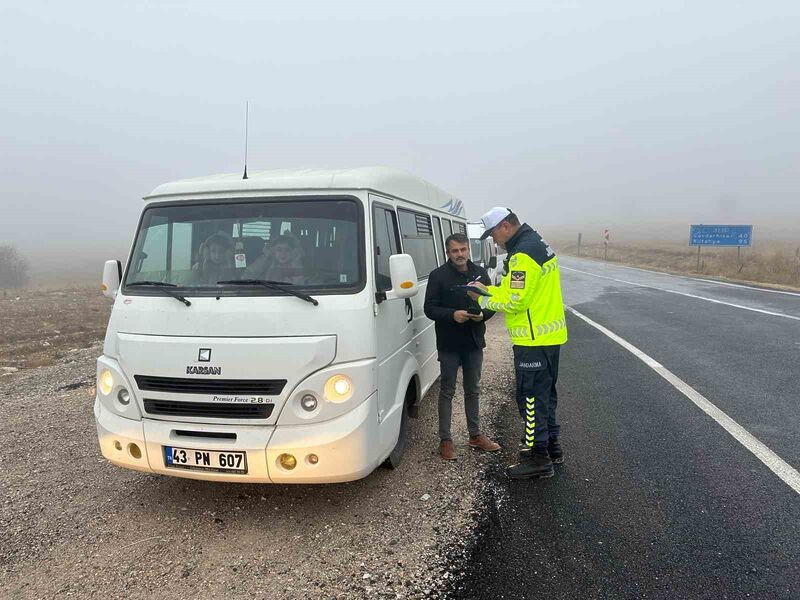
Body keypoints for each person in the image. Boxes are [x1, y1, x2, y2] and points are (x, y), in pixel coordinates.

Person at [467, 208, 568, 480]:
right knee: (546, 395)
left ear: (505, 226)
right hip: (548, 336)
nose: (495, 241)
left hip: (533, 339)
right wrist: (488, 290)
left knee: (531, 399)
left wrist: (482, 301)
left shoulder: (523, 254)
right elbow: (516, 291)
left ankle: (538, 458)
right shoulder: (536, 243)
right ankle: (552, 446)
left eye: (493, 235)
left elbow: (516, 301)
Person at [424, 232, 501, 461]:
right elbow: (429, 308)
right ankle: (445, 440)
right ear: (448, 253)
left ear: (468, 250)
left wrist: (483, 316)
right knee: (447, 390)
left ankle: (475, 436)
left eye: (463, 250)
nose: (460, 254)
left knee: (473, 390)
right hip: (449, 343)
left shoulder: (480, 273)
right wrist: (452, 315)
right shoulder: (437, 276)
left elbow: (491, 303)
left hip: (474, 341)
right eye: (455, 251)